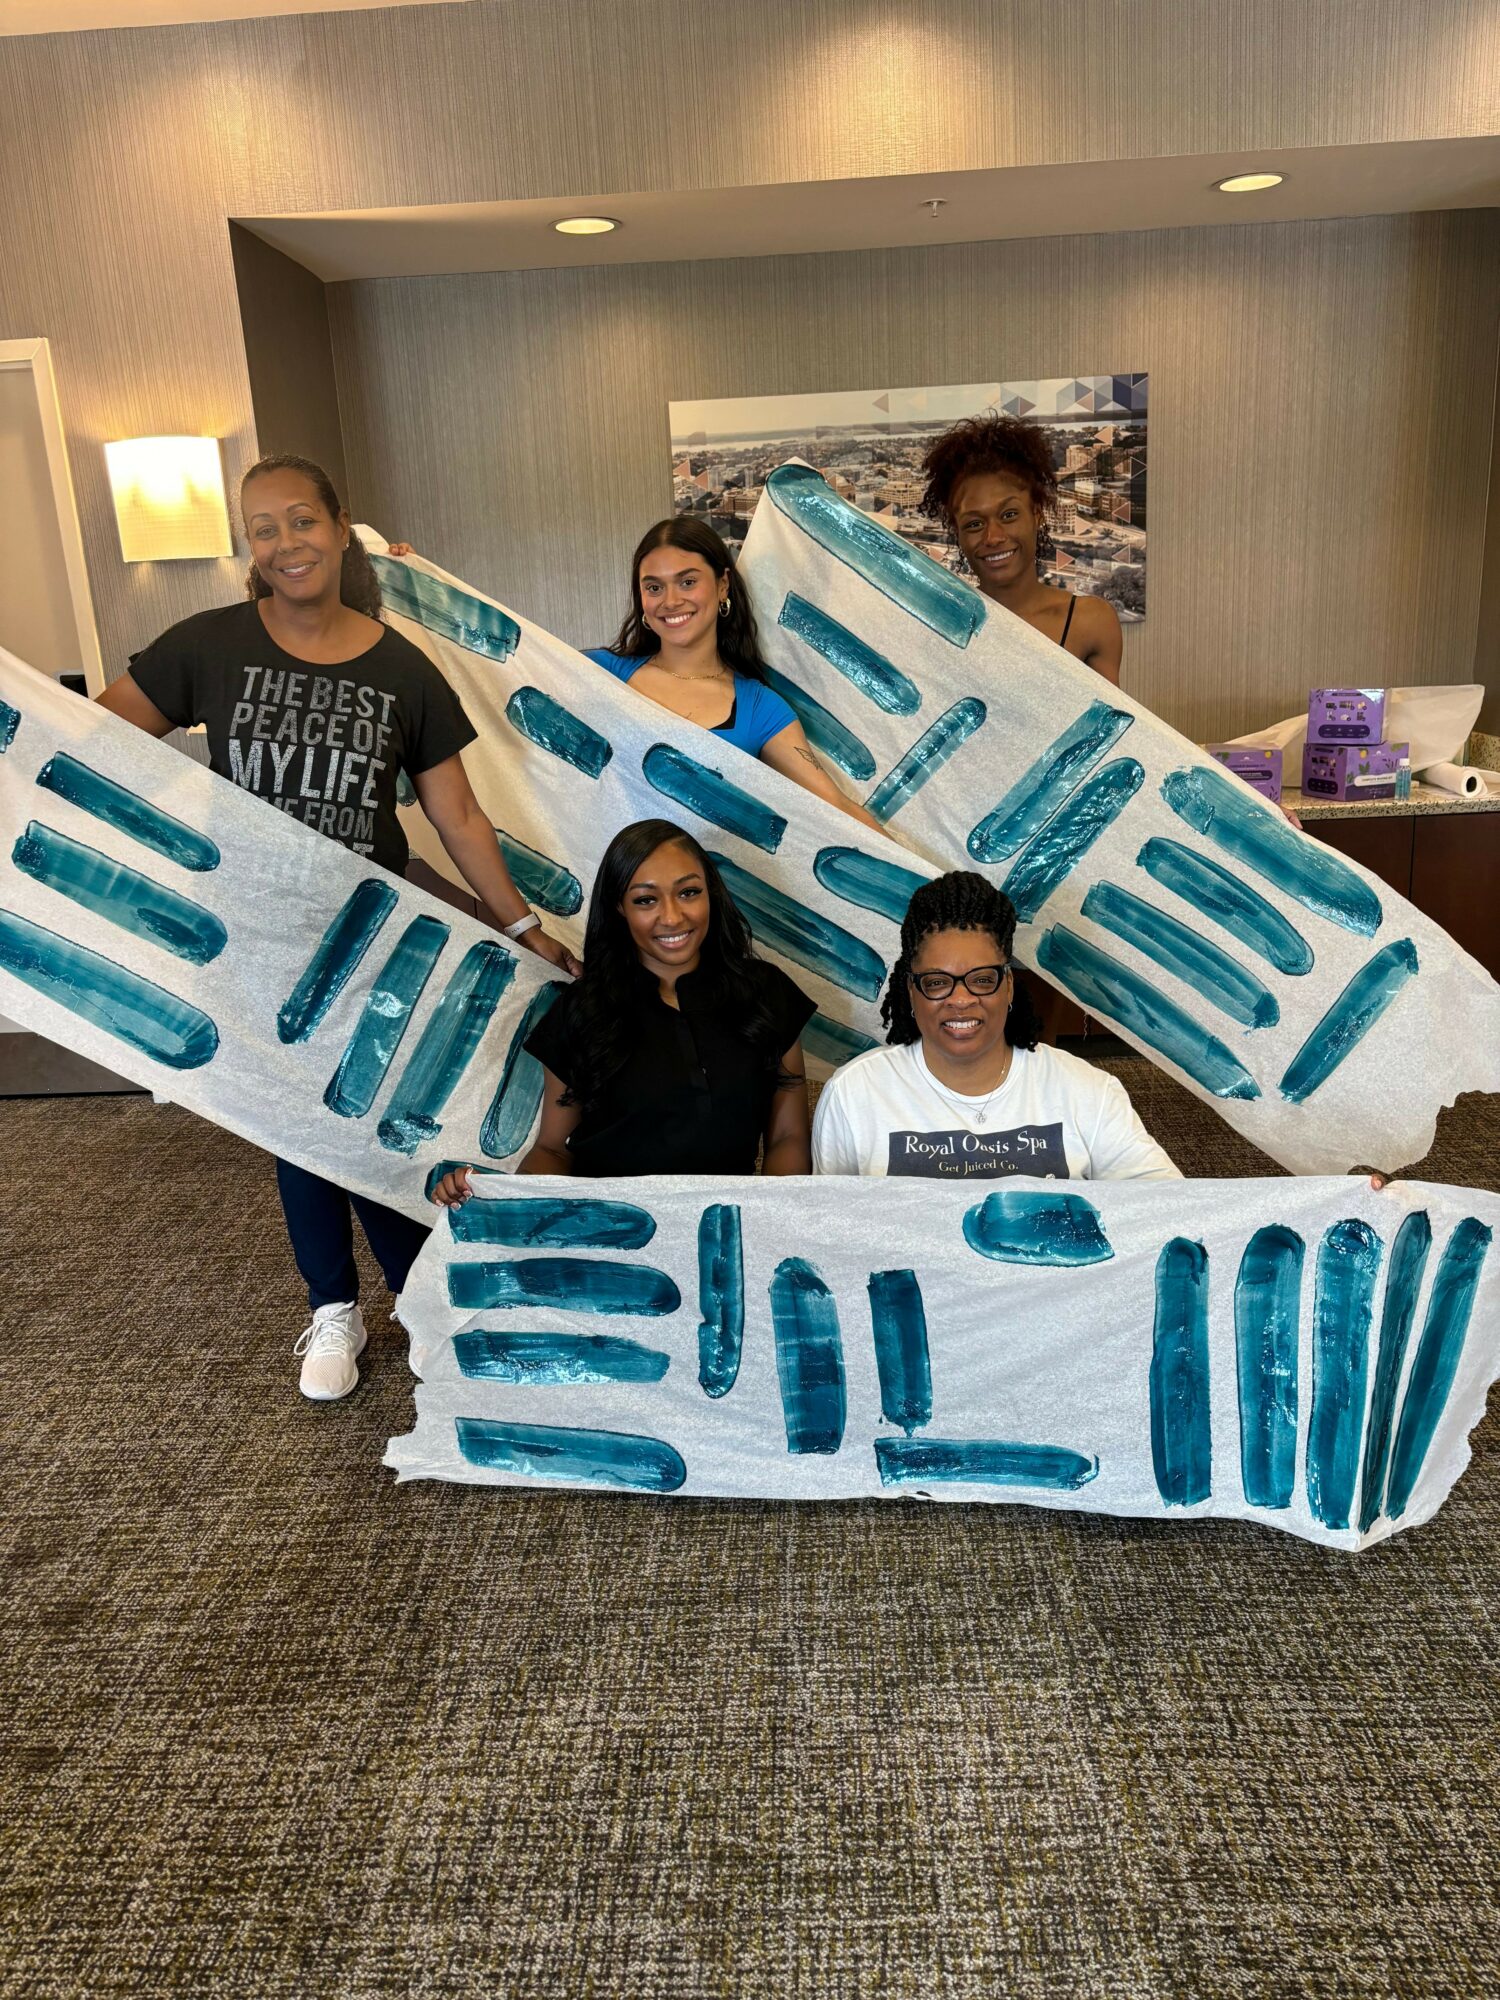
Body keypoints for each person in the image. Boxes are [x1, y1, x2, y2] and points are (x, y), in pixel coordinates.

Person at [97, 453, 580, 1404]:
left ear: (338, 525)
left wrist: (521, 925)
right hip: (260, 938)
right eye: (263, 527)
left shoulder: (403, 667)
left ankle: (411, 1291)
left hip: (374, 936)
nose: (285, 543)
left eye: (301, 521)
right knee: (298, 1120)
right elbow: (93, 735)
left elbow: (459, 819)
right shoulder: (207, 644)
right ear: (249, 543)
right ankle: (334, 1308)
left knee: (372, 1110)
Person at [432, 818, 813, 1198]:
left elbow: (788, 1137)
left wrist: (769, 1223)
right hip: (608, 1232)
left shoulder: (767, 992)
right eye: (646, 899)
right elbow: (552, 1149)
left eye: (689, 892)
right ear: (619, 907)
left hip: (721, 1228)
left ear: (710, 893)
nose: (672, 917)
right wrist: (497, 1196)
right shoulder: (581, 1009)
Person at [813, 871, 1180, 1182]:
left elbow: (1166, 1210)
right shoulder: (854, 1094)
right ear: (911, 992)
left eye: (982, 979)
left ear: (1008, 986)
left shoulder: (1088, 1091)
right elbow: (830, 1238)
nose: (960, 1000)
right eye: (938, 982)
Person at [919, 414, 1124, 684]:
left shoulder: (1090, 623)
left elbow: (1115, 725)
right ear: (957, 533)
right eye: (974, 524)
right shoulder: (938, 628)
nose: (992, 537)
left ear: (1037, 514)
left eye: (1009, 515)